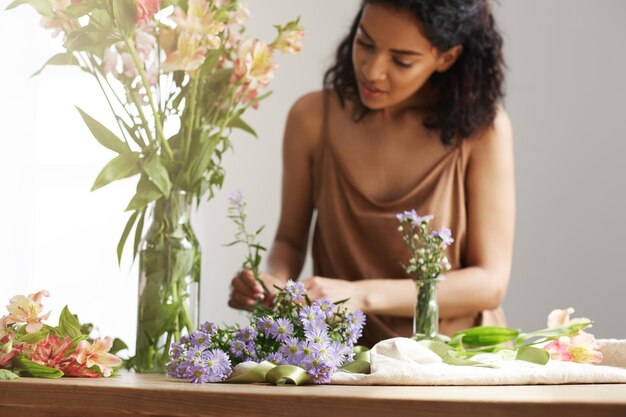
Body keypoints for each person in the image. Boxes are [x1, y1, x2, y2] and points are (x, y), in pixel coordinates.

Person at [229, 0, 515, 347]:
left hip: (457, 363)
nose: (372, 70)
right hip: (341, 361)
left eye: (401, 60)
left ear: (447, 58)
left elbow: (489, 284)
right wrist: (272, 282)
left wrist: (360, 295)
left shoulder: (482, 131)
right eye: (364, 43)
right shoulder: (312, 118)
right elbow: (289, 241)